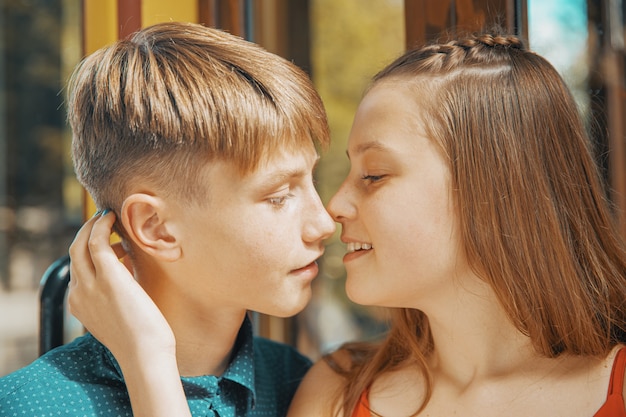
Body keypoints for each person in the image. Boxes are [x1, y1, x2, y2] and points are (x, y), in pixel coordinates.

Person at [32, 30, 626, 416]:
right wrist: (150, 361)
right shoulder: (330, 389)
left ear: (494, 192)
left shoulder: (292, 380)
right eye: (279, 194)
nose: (331, 212)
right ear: (155, 228)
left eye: (373, 176)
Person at [0, 21, 335, 417]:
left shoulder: (300, 385)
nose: (325, 224)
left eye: (312, 180)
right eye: (278, 197)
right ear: (156, 228)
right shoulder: (33, 406)